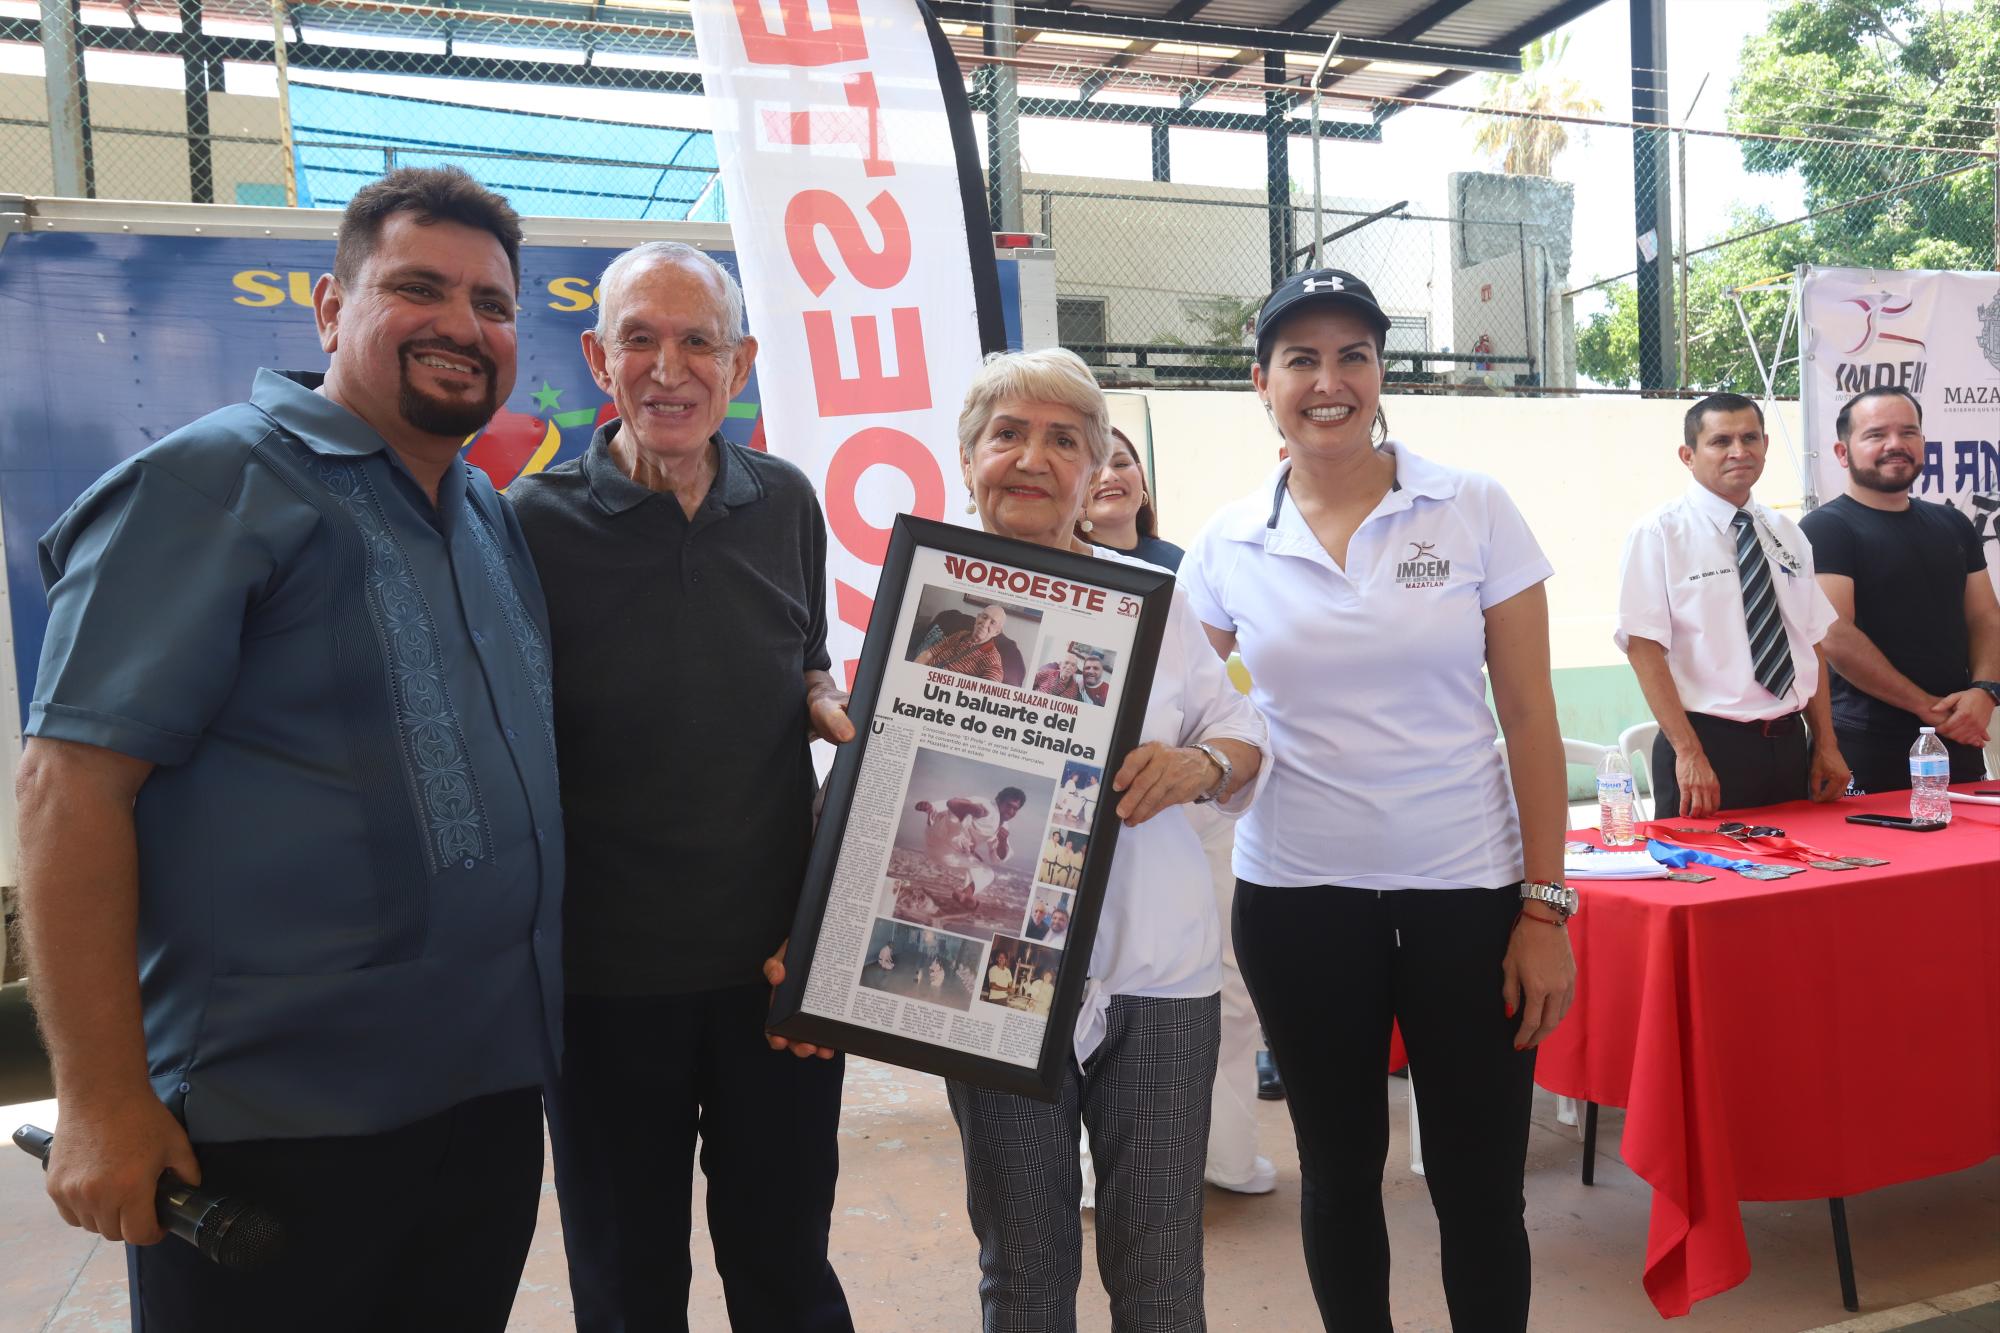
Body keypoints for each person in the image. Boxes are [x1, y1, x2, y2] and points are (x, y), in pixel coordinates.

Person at [16, 167, 562, 1331]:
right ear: (329, 308)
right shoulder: (211, 483)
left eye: (494, 304)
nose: (465, 326)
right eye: (420, 287)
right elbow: (69, 789)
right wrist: (103, 1097)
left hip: (482, 1108)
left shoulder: (482, 515)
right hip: (271, 1128)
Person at [1180, 268, 1574, 1332]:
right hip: (1299, 896)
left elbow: (1530, 720)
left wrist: (1543, 908)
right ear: (1260, 382)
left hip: (1467, 892)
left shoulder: (1470, 504)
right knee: (1339, 1169)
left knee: (1478, 1181)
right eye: (1300, 359)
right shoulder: (1224, 546)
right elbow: (1189, 711)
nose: (1327, 380)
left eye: (1351, 355)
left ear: (1379, 374)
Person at [508, 241, 854, 1332]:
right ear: (594, 358)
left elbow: (802, 659)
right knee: (625, 1278)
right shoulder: (528, 523)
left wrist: (826, 701)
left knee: (786, 1263)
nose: (669, 368)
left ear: (739, 362)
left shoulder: (787, 502)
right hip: (604, 985)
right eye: (640, 340)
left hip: (772, 975)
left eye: (696, 340)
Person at [936, 347, 1268, 1332]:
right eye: (1007, 433)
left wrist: (1199, 766)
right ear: (968, 457)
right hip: (993, 969)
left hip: (1155, 970)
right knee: (1023, 1267)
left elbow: (1243, 728)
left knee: (1161, 1270)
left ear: (1094, 475)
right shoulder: (927, 600)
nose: (1032, 457)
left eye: (1063, 440)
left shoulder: (1149, 602)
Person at [1615, 392, 1850, 815]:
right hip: (1707, 748)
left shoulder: (1787, 533)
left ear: (1765, 446)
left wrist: (1826, 743)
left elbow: (1809, 642)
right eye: (1721, 441)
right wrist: (1688, 752)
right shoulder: (1659, 534)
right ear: (1688, 455)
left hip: (1789, 745)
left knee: (1801, 878)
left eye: (1750, 438)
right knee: (1710, 878)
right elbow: (1643, 648)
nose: (1739, 451)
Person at [1800, 386, 2000, 792]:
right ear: (1842, 453)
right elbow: (1835, 634)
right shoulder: (1826, 529)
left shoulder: (1953, 523)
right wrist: (1929, 710)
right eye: (1876, 435)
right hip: (1865, 745)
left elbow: (1985, 616)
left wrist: (1985, 692)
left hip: (1956, 738)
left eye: (1909, 433)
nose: (1896, 445)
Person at [1080, 425, 1185, 569]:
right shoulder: (1057, 564)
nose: (1108, 476)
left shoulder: (1180, 562)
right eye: (1093, 468)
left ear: (1140, 473)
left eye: (1121, 464)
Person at [916, 790, 1025, 903]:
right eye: (1008, 806)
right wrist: (932, 807)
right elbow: (949, 803)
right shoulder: (986, 804)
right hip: (942, 835)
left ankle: (965, 895)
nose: (1010, 811)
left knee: (988, 873)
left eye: (1015, 809)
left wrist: (1002, 841)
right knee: (956, 822)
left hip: (948, 852)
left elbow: (998, 857)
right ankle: (964, 812)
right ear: (998, 801)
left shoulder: (1003, 827)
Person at [915, 600, 1010, 681]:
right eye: (984, 617)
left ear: (997, 632)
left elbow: (988, 694)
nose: (985, 624)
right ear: (977, 618)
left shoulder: (992, 660)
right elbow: (929, 653)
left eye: (992, 622)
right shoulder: (961, 634)